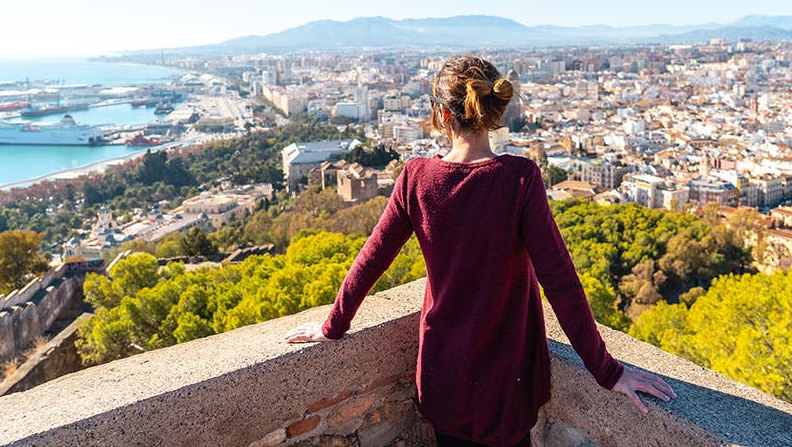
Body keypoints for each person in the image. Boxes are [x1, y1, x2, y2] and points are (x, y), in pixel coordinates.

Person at [284, 55, 675, 447]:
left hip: (443, 378)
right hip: (508, 383)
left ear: (441, 116)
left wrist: (332, 326)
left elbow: (372, 260)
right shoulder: (519, 179)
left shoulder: (417, 178)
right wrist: (607, 371)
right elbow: (560, 282)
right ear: (495, 111)